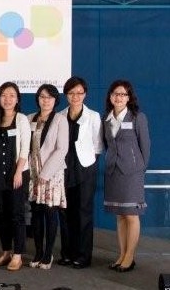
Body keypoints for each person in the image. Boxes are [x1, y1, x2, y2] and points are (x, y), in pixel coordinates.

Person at [102, 80, 150, 273]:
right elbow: (108, 145)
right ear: (111, 97)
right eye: (115, 93)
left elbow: (145, 147)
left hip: (132, 173)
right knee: (121, 216)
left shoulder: (138, 117)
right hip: (114, 171)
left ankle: (130, 257)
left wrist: (139, 169)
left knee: (131, 215)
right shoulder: (107, 118)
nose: (119, 97)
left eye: (123, 94)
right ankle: (122, 254)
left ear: (129, 98)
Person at [58, 77, 103, 269]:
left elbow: (98, 145)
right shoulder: (60, 115)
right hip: (63, 168)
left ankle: (83, 255)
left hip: (85, 168)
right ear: (66, 94)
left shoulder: (93, 116)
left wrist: (87, 164)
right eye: (71, 92)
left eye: (79, 92)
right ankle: (67, 253)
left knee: (83, 212)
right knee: (65, 212)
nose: (75, 96)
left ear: (85, 94)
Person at [0, 82, 31, 271]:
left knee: (17, 215)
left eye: (11, 95)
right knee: (2, 215)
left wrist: (18, 172)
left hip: (17, 174)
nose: (7, 99)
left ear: (17, 99)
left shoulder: (21, 119)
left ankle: (17, 255)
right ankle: (6, 251)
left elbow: (25, 148)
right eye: (4, 95)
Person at [27, 84, 68, 270]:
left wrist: (45, 173)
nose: (46, 100)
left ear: (55, 100)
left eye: (50, 97)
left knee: (50, 214)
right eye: (42, 96)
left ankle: (48, 253)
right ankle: (37, 252)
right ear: (38, 98)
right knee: (36, 213)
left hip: (52, 173)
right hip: (33, 172)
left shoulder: (60, 120)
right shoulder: (30, 118)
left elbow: (62, 149)